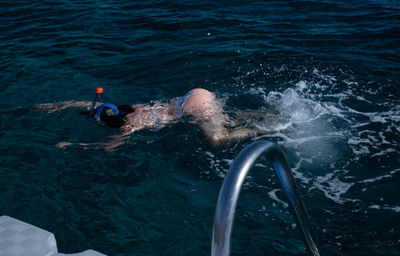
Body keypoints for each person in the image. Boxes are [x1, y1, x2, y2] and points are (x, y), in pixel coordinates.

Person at [36, 88, 272, 151]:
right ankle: (265, 116)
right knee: (223, 119)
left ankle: (274, 126)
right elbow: (92, 105)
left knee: (218, 139)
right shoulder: (127, 109)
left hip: (194, 109)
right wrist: (56, 106)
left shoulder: (128, 126)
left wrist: (72, 145)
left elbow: (108, 148)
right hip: (192, 95)